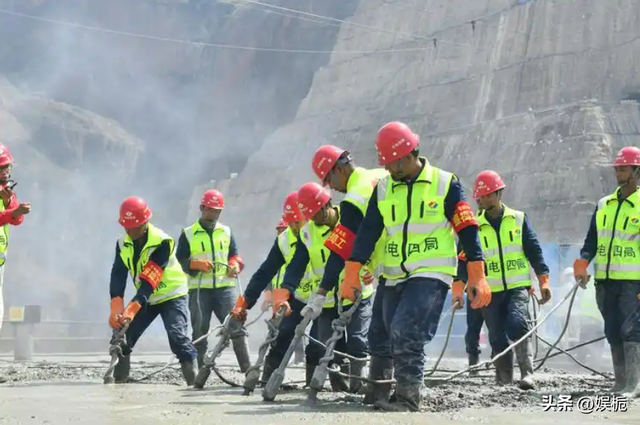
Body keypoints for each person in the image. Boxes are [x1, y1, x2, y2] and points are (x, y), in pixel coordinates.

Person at [340, 121, 492, 412]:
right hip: (393, 273)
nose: (385, 170)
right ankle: (378, 393)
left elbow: (467, 227)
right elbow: (369, 231)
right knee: (380, 334)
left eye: (389, 164)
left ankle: (408, 398)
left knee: (405, 329)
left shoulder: (445, 183)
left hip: (431, 272)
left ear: (405, 156)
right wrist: (352, 271)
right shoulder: (384, 188)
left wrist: (476, 273)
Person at [301, 145, 386, 392]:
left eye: (329, 180)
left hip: (386, 275)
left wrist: (321, 292)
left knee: (373, 337)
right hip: (397, 264)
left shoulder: (354, 198)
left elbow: (340, 251)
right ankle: (374, 389)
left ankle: (368, 389)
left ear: (339, 169)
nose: (331, 188)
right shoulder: (381, 175)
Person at [465, 170, 550, 390]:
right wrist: (461, 286)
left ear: (498, 194)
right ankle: (503, 379)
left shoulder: (518, 219)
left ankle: (527, 374)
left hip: (517, 287)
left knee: (517, 323)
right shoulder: (473, 226)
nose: (483, 200)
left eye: (488, 195)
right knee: (495, 335)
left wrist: (543, 280)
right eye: (480, 197)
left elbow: (534, 251)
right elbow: (463, 259)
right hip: (489, 291)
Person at [230, 191, 322, 386]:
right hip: (297, 296)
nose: (295, 228)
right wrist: (245, 302)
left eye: (298, 222)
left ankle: (317, 386)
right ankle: (268, 380)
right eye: (291, 223)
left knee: (318, 343)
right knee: (282, 335)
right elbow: (264, 273)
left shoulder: (319, 232)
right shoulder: (283, 241)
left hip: (325, 295)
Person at [574, 146, 640, 398]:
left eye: (623, 168)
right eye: (617, 168)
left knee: (631, 330)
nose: (619, 172)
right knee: (612, 329)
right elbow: (592, 240)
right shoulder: (604, 204)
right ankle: (620, 382)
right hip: (605, 280)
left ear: (636, 171)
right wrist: (583, 261)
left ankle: (634, 385)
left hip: (633, 282)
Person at [108, 196, 197, 385]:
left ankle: (194, 380)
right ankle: (119, 379)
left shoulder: (162, 241)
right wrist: (116, 306)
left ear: (145, 222)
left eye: (135, 227)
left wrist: (132, 308)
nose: (131, 231)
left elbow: (150, 278)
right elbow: (118, 274)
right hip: (147, 297)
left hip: (172, 294)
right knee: (123, 334)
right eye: (127, 227)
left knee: (177, 337)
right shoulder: (122, 243)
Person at [176, 189, 250, 372]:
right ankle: (201, 373)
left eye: (217, 211)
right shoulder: (188, 234)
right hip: (199, 291)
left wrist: (234, 265)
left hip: (225, 289)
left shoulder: (226, 231)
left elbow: (235, 256)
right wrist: (196, 264)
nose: (213, 214)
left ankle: (248, 370)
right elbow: (179, 261)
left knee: (237, 326)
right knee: (200, 331)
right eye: (210, 209)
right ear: (202, 208)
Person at [0, 144, 31, 384]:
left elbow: (17, 220)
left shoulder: (6, 189)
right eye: (1, 167)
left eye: (7, 166)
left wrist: (14, 206)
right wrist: (12, 211)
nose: (5, 171)